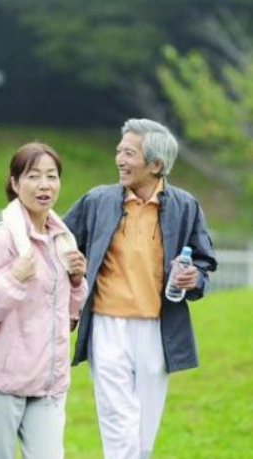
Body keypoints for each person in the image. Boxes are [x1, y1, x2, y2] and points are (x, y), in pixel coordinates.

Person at [63, 119, 218, 459]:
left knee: (145, 427)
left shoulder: (185, 206)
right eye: (119, 151)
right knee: (118, 421)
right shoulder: (97, 200)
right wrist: (72, 275)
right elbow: (58, 240)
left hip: (157, 327)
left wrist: (194, 279)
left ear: (156, 164)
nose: (119, 159)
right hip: (107, 324)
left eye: (128, 153)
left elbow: (204, 263)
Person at [0, 142, 88, 459]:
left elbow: (67, 316)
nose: (45, 185)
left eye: (52, 176)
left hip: (47, 383)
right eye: (33, 176)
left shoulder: (62, 240)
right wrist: (14, 278)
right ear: (15, 183)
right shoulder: (3, 240)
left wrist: (76, 281)